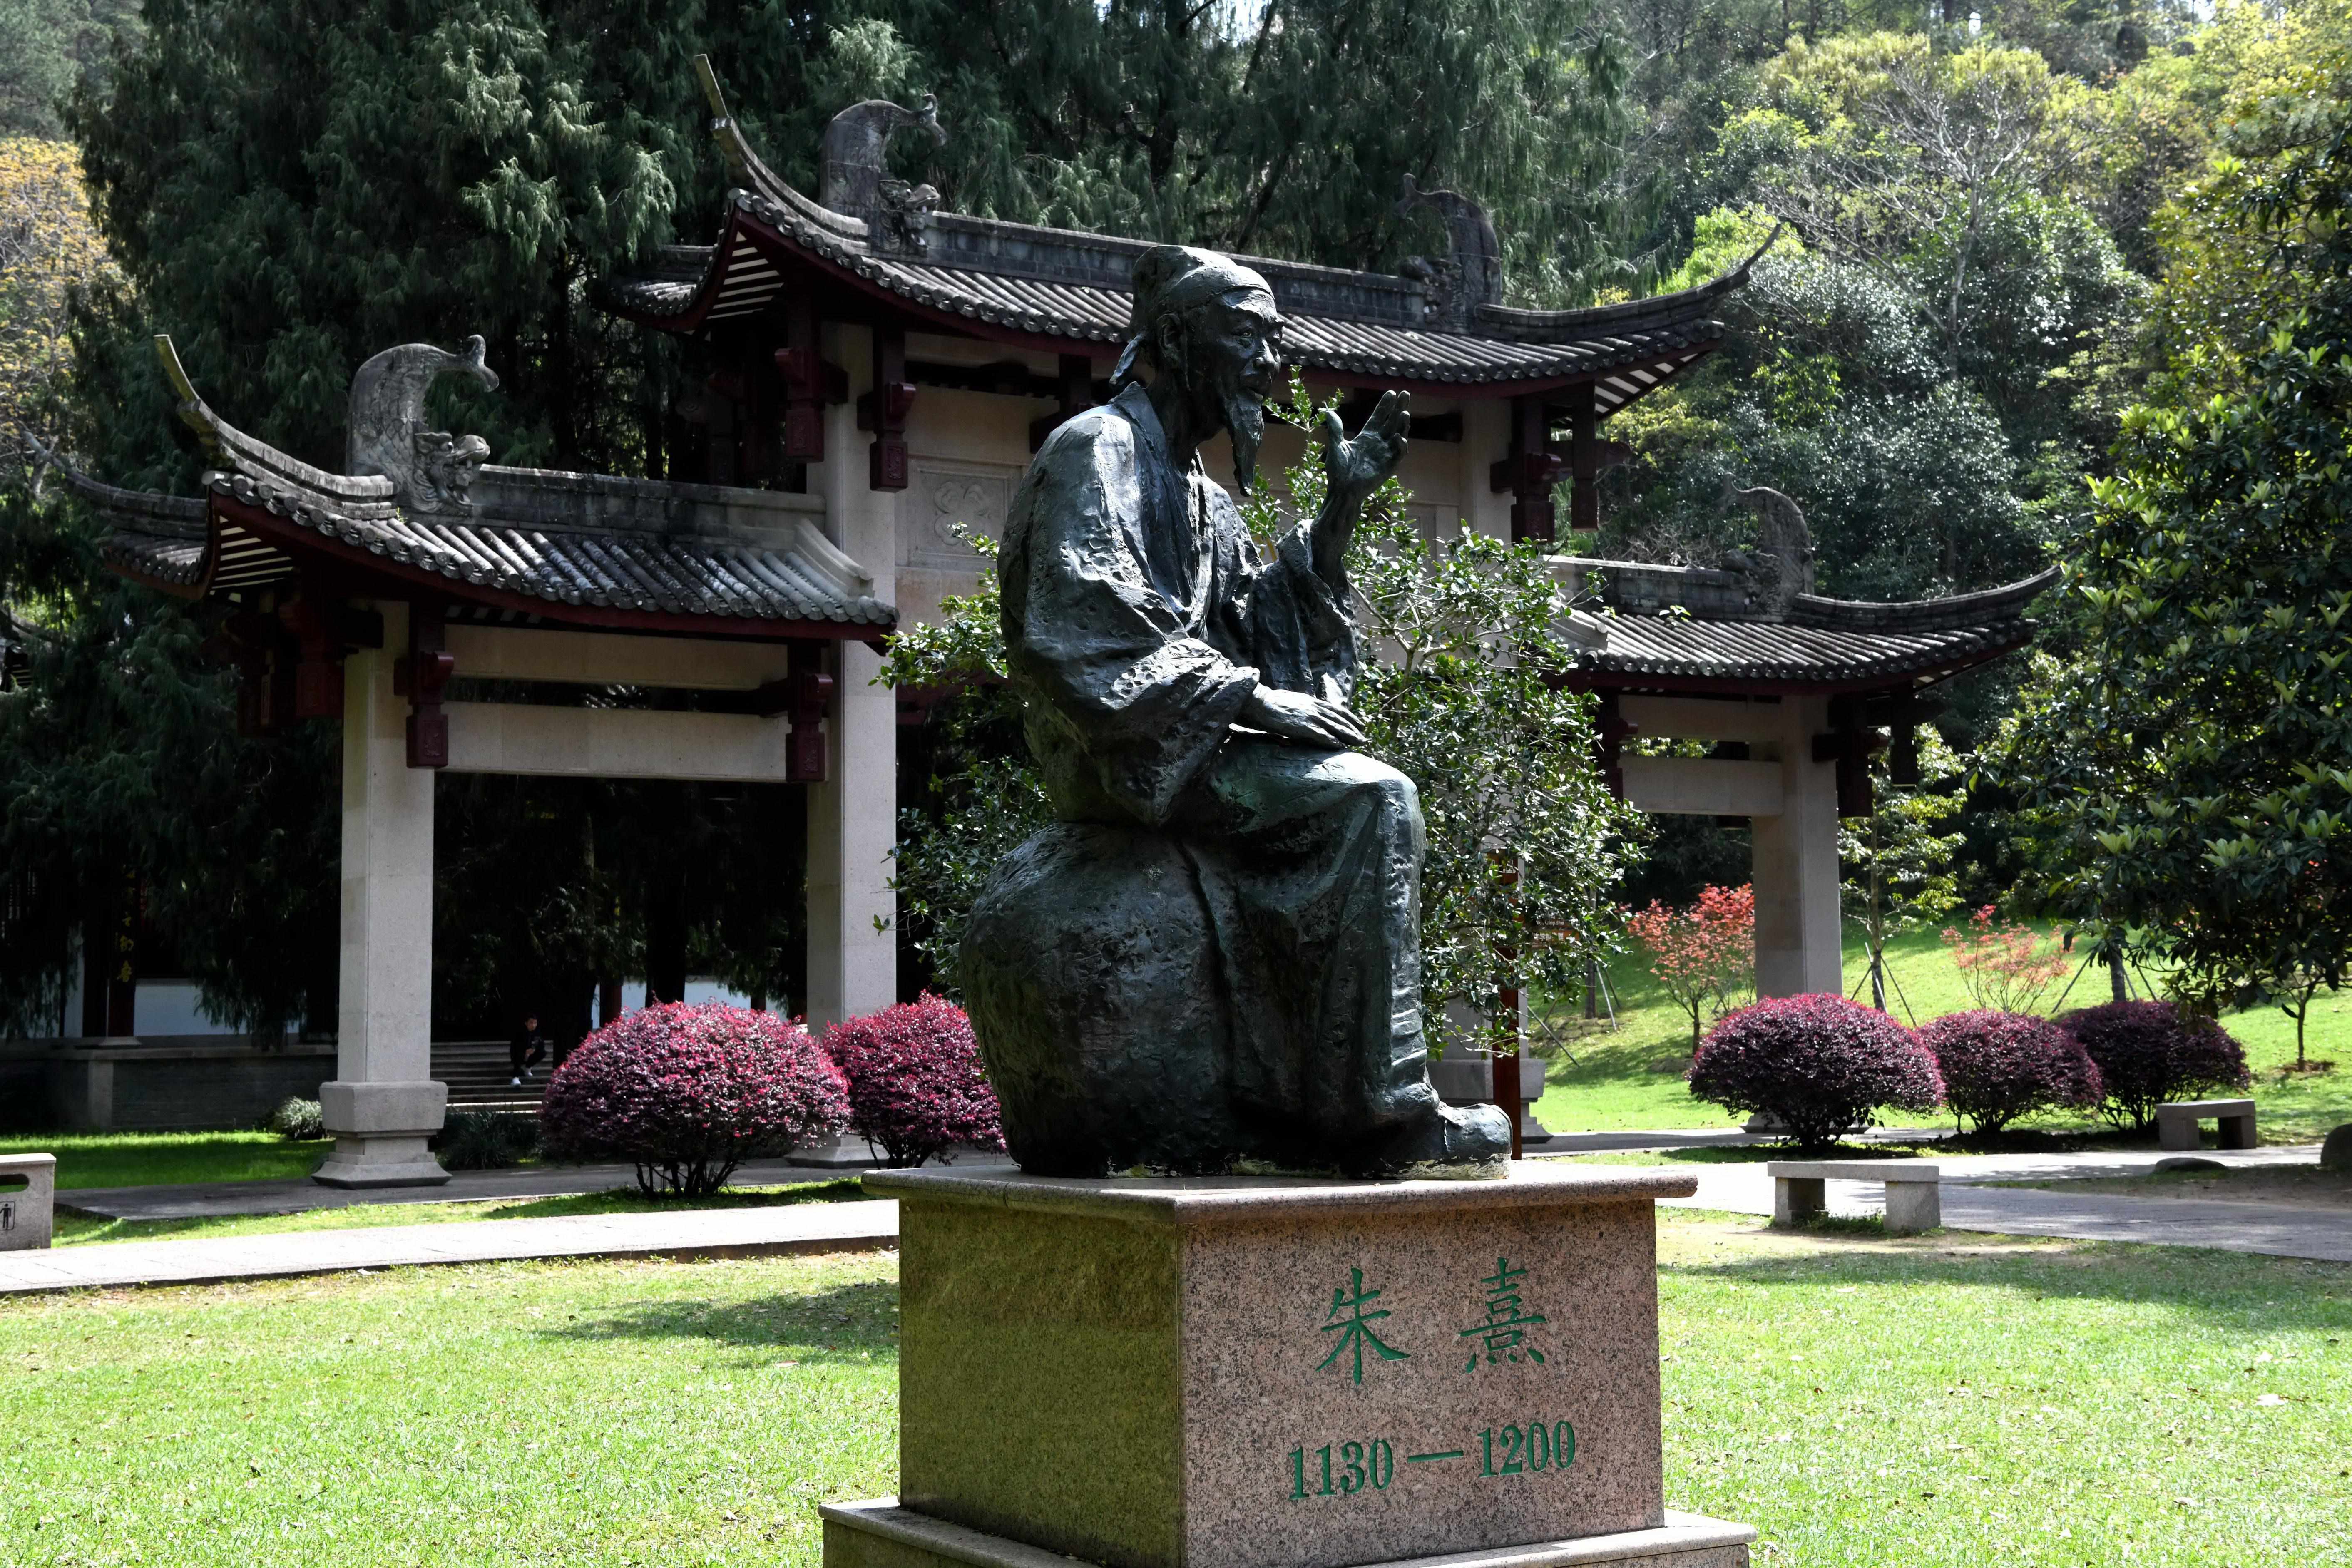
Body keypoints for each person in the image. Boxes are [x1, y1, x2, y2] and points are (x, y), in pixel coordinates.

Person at [988, 243, 1509, 1173]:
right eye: (1246, 336)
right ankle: (1383, 1111)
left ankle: (1305, 1090)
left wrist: (1340, 512)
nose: (1268, 363)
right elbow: (1083, 618)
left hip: (1191, 734)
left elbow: (1256, 620)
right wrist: (1258, 701)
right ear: (1172, 341)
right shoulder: (1093, 449)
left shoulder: (1204, 494)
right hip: (1119, 746)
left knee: (1353, 784)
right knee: (1374, 799)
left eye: (1274, 340)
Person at [508, 1013, 549, 1086]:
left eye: (535, 1023)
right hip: (519, 1054)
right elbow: (515, 1047)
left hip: (530, 1054)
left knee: (543, 1052)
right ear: (526, 1023)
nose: (533, 1025)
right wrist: (525, 1051)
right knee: (519, 1054)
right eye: (531, 1023)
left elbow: (542, 1044)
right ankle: (515, 1077)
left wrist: (534, 1049)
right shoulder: (520, 1032)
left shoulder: (537, 1032)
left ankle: (527, 1068)